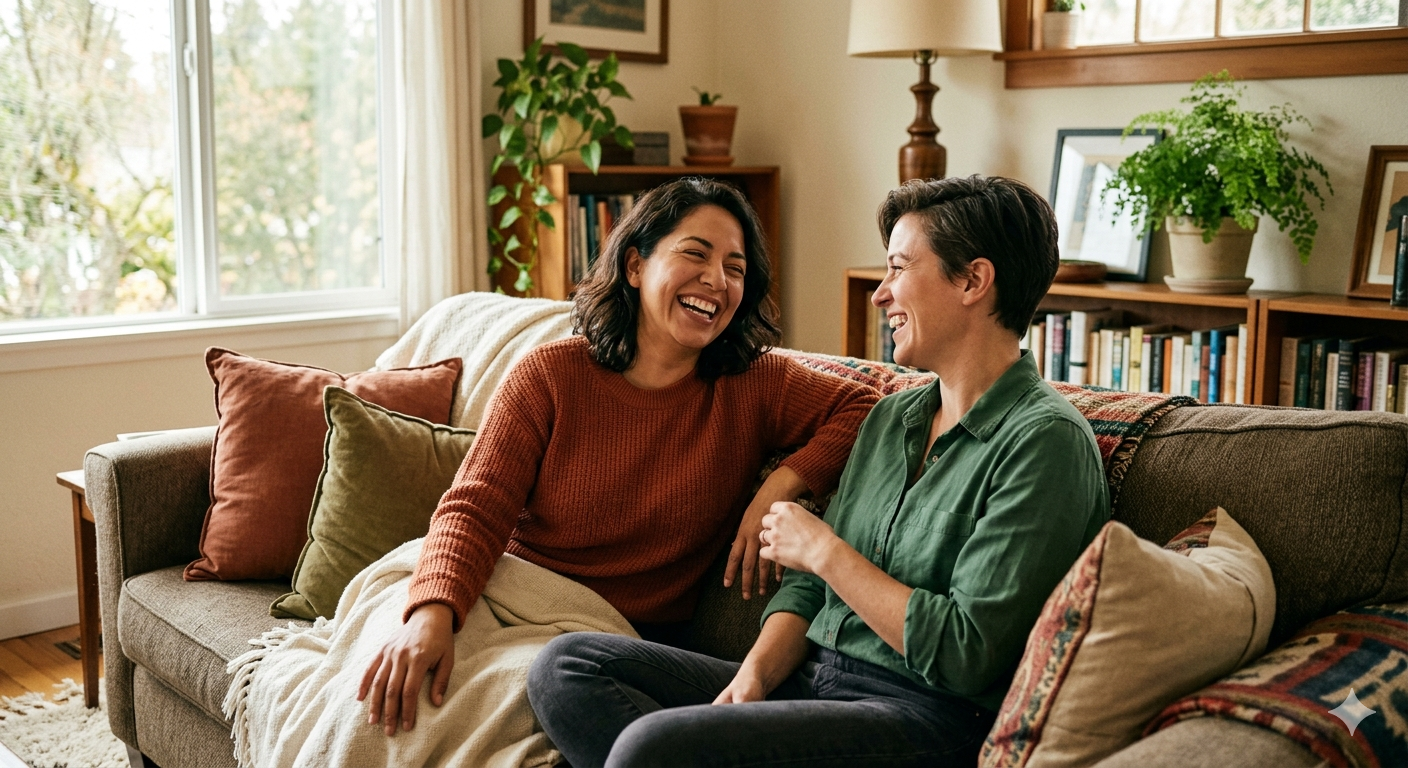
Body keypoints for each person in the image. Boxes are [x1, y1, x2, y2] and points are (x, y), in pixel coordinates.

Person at [528, 175, 1112, 768]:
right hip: (815, 680)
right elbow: (808, 590)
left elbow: (966, 653)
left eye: (899, 268)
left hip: (926, 717)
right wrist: (753, 680)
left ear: (972, 280)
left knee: (648, 748)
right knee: (567, 666)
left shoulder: (1045, 442)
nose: (881, 294)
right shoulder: (892, 417)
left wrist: (827, 552)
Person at [357, 178, 878, 737]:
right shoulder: (549, 376)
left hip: (615, 647)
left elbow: (868, 405)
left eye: (735, 267)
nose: (716, 280)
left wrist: (782, 485)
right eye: (695, 253)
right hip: (508, 598)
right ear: (635, 265)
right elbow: (476, 505)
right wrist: (433, 611)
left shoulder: (755, 383)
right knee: (392, 697)